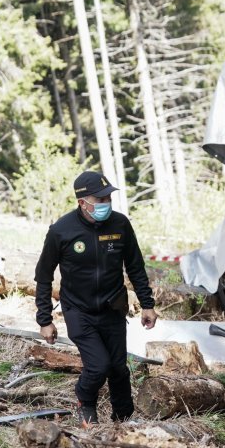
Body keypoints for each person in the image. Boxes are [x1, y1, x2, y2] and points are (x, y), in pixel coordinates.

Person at [35, 171, 158, 426]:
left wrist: (147, 304)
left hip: (113, 307)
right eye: (99, 199)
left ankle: (123, 420)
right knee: (98, 366)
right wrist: (44, 319)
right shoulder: (61, 230)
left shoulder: (121, 224)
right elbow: (44, 275)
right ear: (83, 202)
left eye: (108, 198)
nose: (105, 204)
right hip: (78, 310)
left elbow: (135, 266)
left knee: (118, 368)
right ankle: (85, 400)